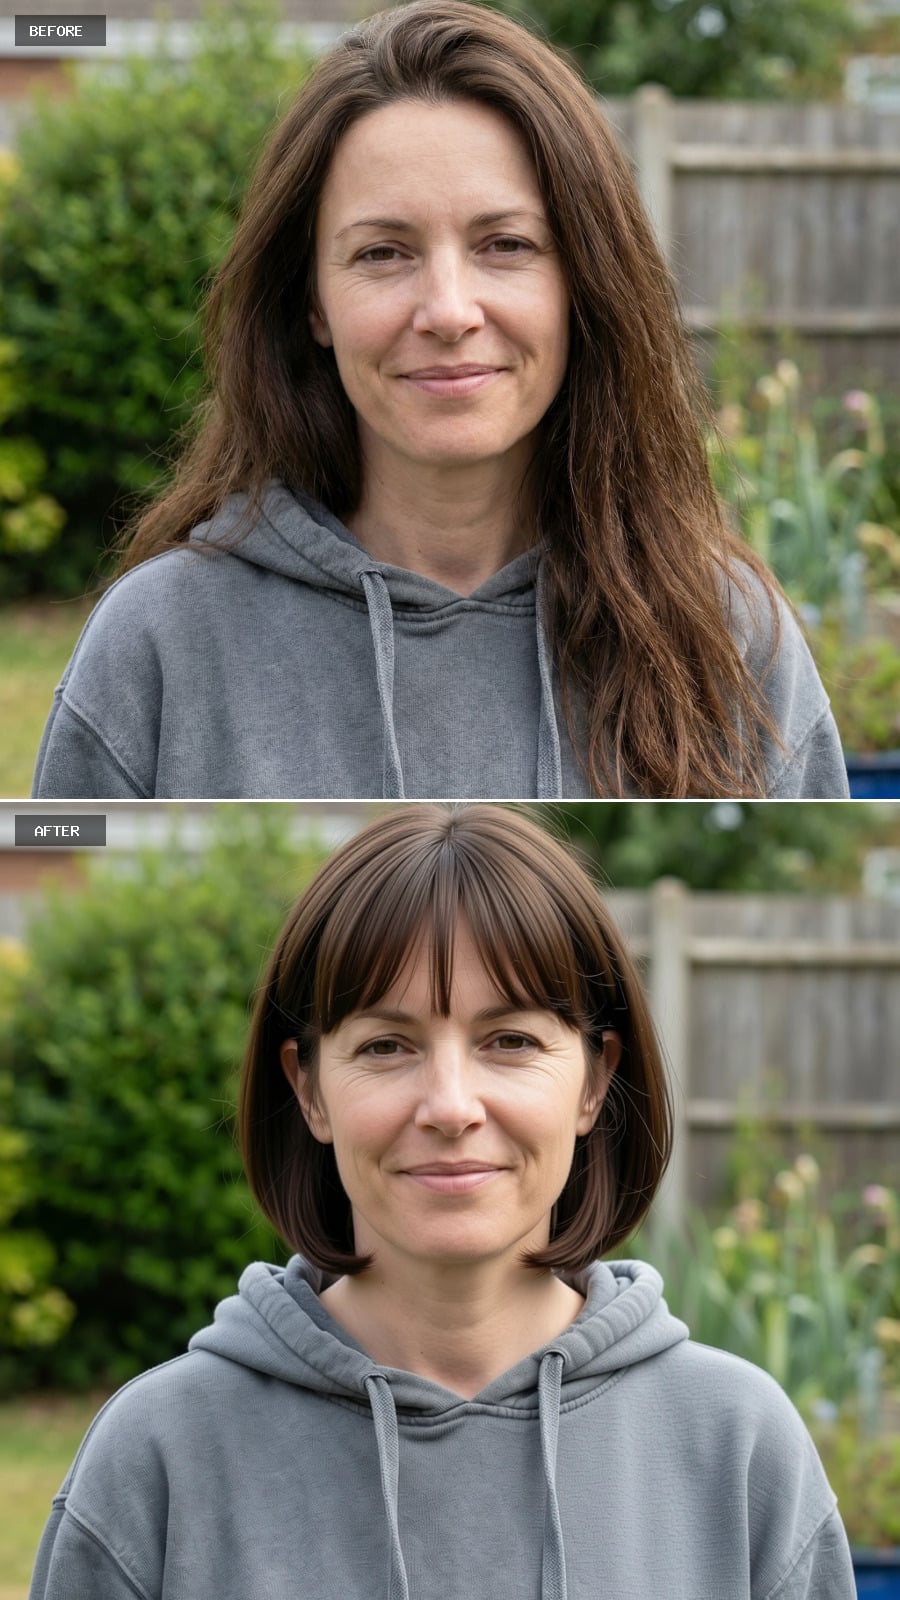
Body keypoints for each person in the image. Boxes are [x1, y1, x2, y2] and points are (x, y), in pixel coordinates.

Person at [30, 803, 856, 1599]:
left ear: (596, 1081)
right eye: (387, 1046)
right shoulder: (157, 1457)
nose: (451, 1105)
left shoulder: (739, 1447)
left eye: (511, 1041)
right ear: (309, 1089)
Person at [32, 1, 847, 801]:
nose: (450, 311)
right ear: (312, 301)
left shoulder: (730, 636)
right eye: (383, 252)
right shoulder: (160, 642)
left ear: (583, 285)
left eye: (507, 245)